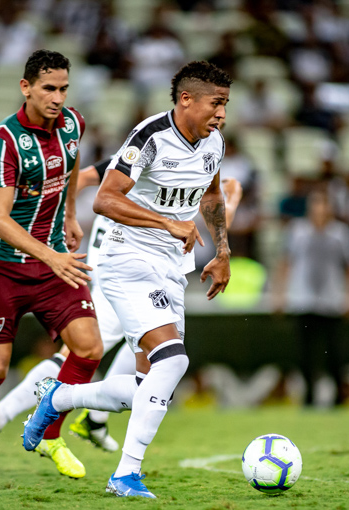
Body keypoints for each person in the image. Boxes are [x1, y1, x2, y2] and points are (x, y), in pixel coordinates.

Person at [22, 61, 232, 498]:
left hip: (172, 268)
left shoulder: (214, 144)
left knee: (144, 389)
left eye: (226, 105)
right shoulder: (150, 137)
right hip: (128, 259)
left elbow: (211, 196)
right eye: (216, 103)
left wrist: (223, 250)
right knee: (173, 362)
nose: (221, 115)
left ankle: (58, 399)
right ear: (186, 99)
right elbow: (104, 198)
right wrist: (166, 223)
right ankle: (125, 475)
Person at [0, 158, 243, 473]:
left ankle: (89, 420)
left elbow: (82, 179)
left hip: (135, 268)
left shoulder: (164, 162)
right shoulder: (144, 157)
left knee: (147, 354)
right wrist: (67, 216)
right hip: (127, 270)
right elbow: (82, 181)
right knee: (120, 357)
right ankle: (11, 414)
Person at [0, 49, 105, 486]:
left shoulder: (73, 123)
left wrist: (69, 216)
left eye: (64, 89)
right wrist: (51, 255)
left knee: (89, 348)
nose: (57, 97)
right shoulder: (4, 141)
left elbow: (69, 173)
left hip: (52, 264)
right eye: (49, 88)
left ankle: (49, 433)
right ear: (26, 87)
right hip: (5, 270)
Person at [273, 189, 349, 407]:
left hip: (331, 302)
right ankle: (308, 397)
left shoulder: (341, 233)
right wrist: (280, 295)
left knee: (335, 354)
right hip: (303, 300)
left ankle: (339, 398)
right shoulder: (298, 230)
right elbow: (285, 263)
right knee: (304, 355)